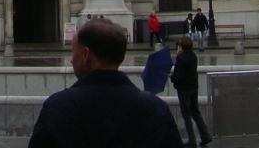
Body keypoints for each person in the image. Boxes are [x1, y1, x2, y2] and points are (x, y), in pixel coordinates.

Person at [29, 18, 181, 148]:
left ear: (86, 55)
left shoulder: (58, 107)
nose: (71, 60)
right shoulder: (156, 108)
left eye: (73, 53)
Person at [171, 35, 212, 147]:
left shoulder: (181, 58)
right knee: (195, 112)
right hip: (193, 87)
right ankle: (205, 135)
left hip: (184, 89)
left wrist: (172, 77)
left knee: (186, 114)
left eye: (178, 46)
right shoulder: (193, 56)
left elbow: (178, 76)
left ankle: (192, 139)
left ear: (181, 46)